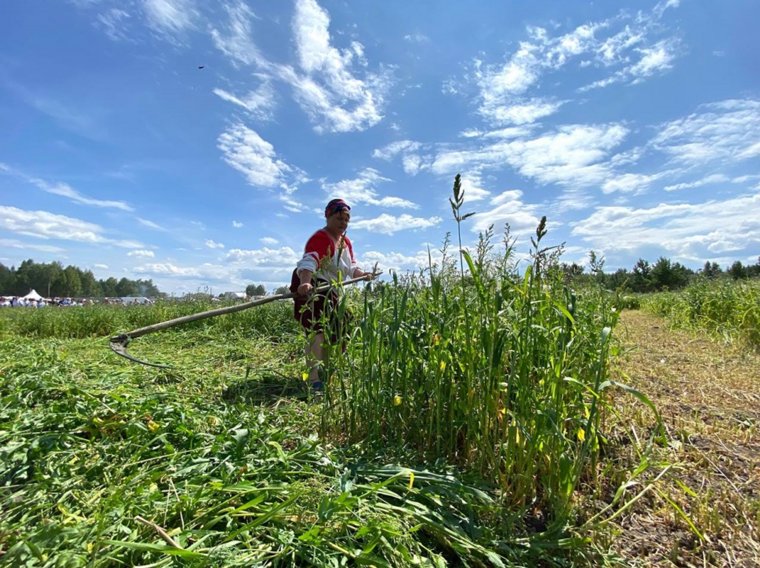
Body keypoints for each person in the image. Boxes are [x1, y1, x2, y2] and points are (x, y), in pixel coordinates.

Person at [291, 198, 373, 390]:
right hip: (314, 286)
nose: (343, 223)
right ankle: (314, 380)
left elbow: (351, 267)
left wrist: (363, 275)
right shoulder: (321, 238)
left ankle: (327, 371)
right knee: (317, 330)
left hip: (332, 289)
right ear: (328, 216)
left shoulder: (345, 242)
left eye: (346, 219)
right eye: (339, 218)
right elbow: (309, 261)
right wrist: (305, 283)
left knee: (341, 326)